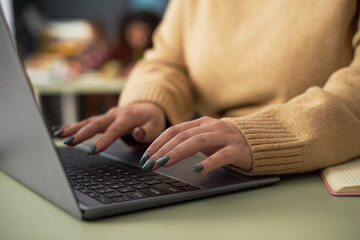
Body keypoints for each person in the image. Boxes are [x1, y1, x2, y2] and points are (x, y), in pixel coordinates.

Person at [55, 0, 360, 176]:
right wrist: (150, 103)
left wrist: (264, 134)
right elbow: (168, 61)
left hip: (324, 172)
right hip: (218, 165)